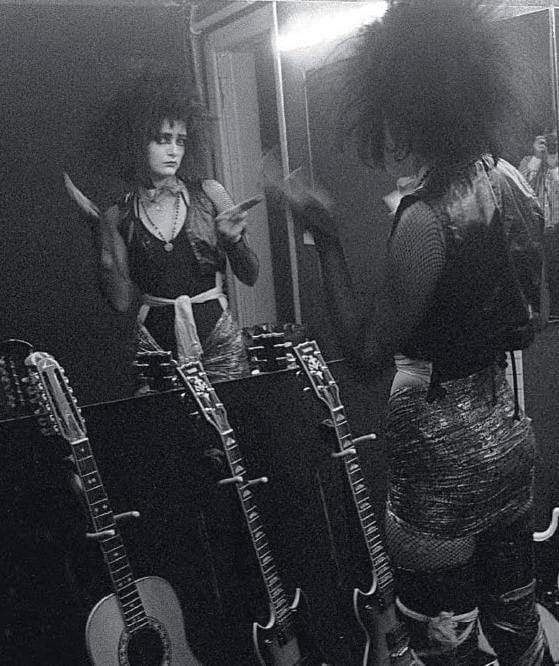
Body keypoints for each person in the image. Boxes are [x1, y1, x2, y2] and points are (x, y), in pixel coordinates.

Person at [280, 0, 552, 663]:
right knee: (518, 630)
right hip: (506, 443)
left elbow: (365, 353)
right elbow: (531, 319)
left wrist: (325, 239)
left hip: (437, 470)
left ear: (408, 106)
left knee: (444, 644)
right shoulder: (508, 182)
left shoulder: (424, 221)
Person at [67, 71, 260, 383]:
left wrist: (233, 242)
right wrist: (99, 233)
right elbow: (120, 302)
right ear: (136, 142)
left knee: (234, 409)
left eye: (180, 141)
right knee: (163, 416)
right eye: (162, 139)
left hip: (218, 342)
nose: (174, 151)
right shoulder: (118, 214)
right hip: (156, 349)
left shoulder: (211, 193)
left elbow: (250, 275)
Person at [519, 131, 559, 317]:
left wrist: (553, 167)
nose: (552, 143)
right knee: (538, 275)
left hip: (557, 230)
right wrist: (537, 158)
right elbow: (521, 187)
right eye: (548, 139)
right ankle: (542, 314)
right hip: (536, 231)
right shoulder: (528, 161)